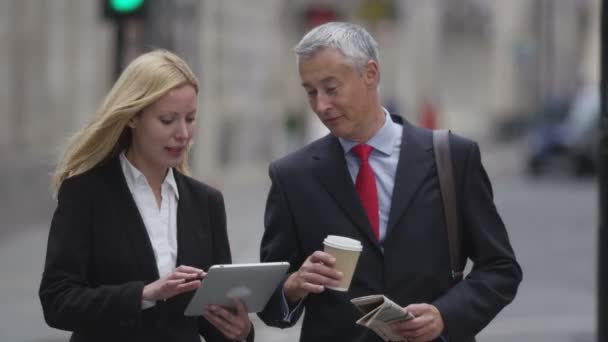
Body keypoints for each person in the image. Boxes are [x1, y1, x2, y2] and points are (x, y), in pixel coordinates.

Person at [257, 22, 522, 342]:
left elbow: (500, 269)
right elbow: (269, 301)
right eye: (311, 91)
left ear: (370, 74)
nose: (320, 105)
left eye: (331, 87)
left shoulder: (452, 157)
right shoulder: (292, 176)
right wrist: (293, 287)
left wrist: (445, 316)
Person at [39, 50, 253, 342]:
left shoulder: (206, 202)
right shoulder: (85, 193)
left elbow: (210, 319)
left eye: (190, 119)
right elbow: (57, 301)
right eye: (167, 120)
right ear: (133, 118)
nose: (183, 133)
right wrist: (144, 294)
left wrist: (240, 331)